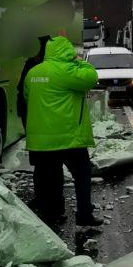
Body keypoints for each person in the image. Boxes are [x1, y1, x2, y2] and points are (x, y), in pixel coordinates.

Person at [23, 35, 103, 227]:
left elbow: (27, 97)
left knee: (50, 178)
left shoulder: (33, 72)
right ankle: (84, 215)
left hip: (41, 140)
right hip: (68, 137)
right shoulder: (68, 70)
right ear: (67, 52)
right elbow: (92, 77)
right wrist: (79, 62)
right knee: (82, 174)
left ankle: (53, 215)